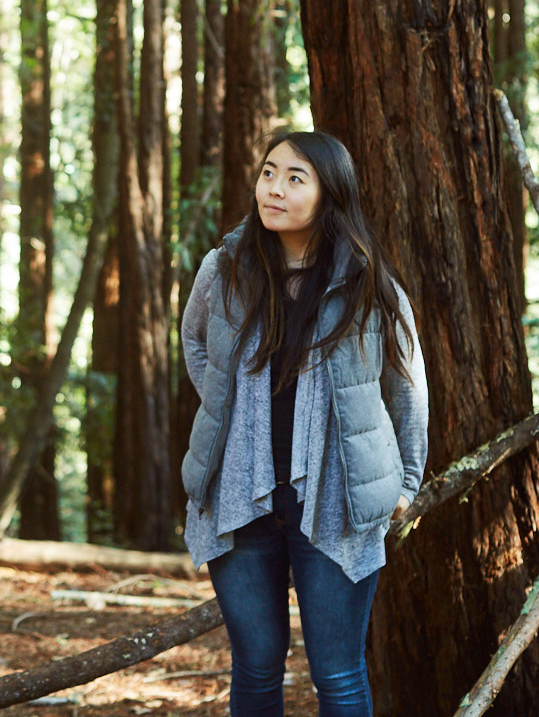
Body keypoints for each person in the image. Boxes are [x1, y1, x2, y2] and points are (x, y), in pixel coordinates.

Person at [180, 129, 429, 717]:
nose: (275, 189)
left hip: (338, 501)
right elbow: (196, 345)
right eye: (269, 172)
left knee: (338, 674)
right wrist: (231, 416)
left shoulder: (370, 285)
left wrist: (407, 483)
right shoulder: (225, 272)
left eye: (295, 178)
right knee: (256, 667)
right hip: (240, 496)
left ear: (329, 195)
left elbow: (408, 387)